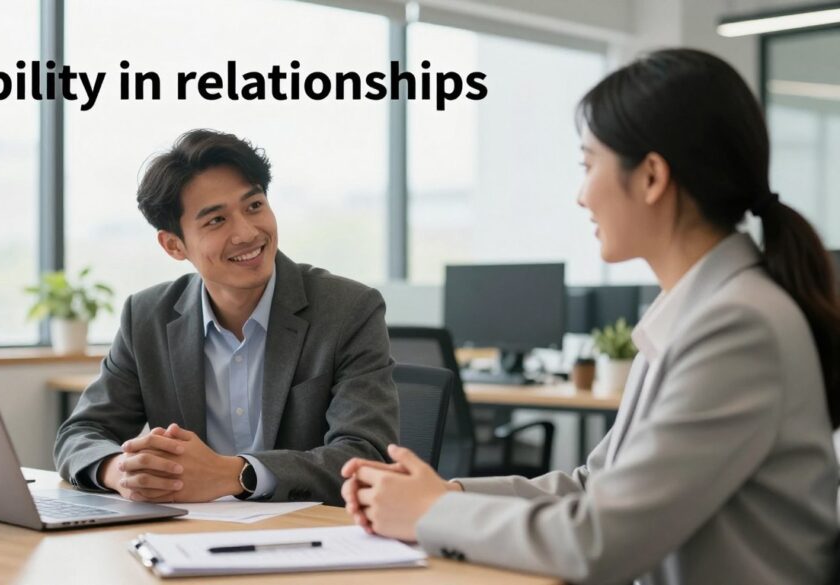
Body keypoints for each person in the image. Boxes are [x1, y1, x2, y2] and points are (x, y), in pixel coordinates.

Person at [341, 48, 840, 584]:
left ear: (650, 177)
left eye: (588, 165)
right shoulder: (696, 309)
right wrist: (446, 494)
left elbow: (599, 542)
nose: (581, 196)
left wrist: (431, 514)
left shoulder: (739, 326)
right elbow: (594, 483)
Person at [55, 129, 398, 506]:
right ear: (174, 245)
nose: (248, 233)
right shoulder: (147, 317)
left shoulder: (348, 309)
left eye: (254, 206)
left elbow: (365, 455)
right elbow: (81, 432)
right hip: (185, 538)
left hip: (309, 536)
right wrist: (120, 470)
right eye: (216, 221)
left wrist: (235, 474)